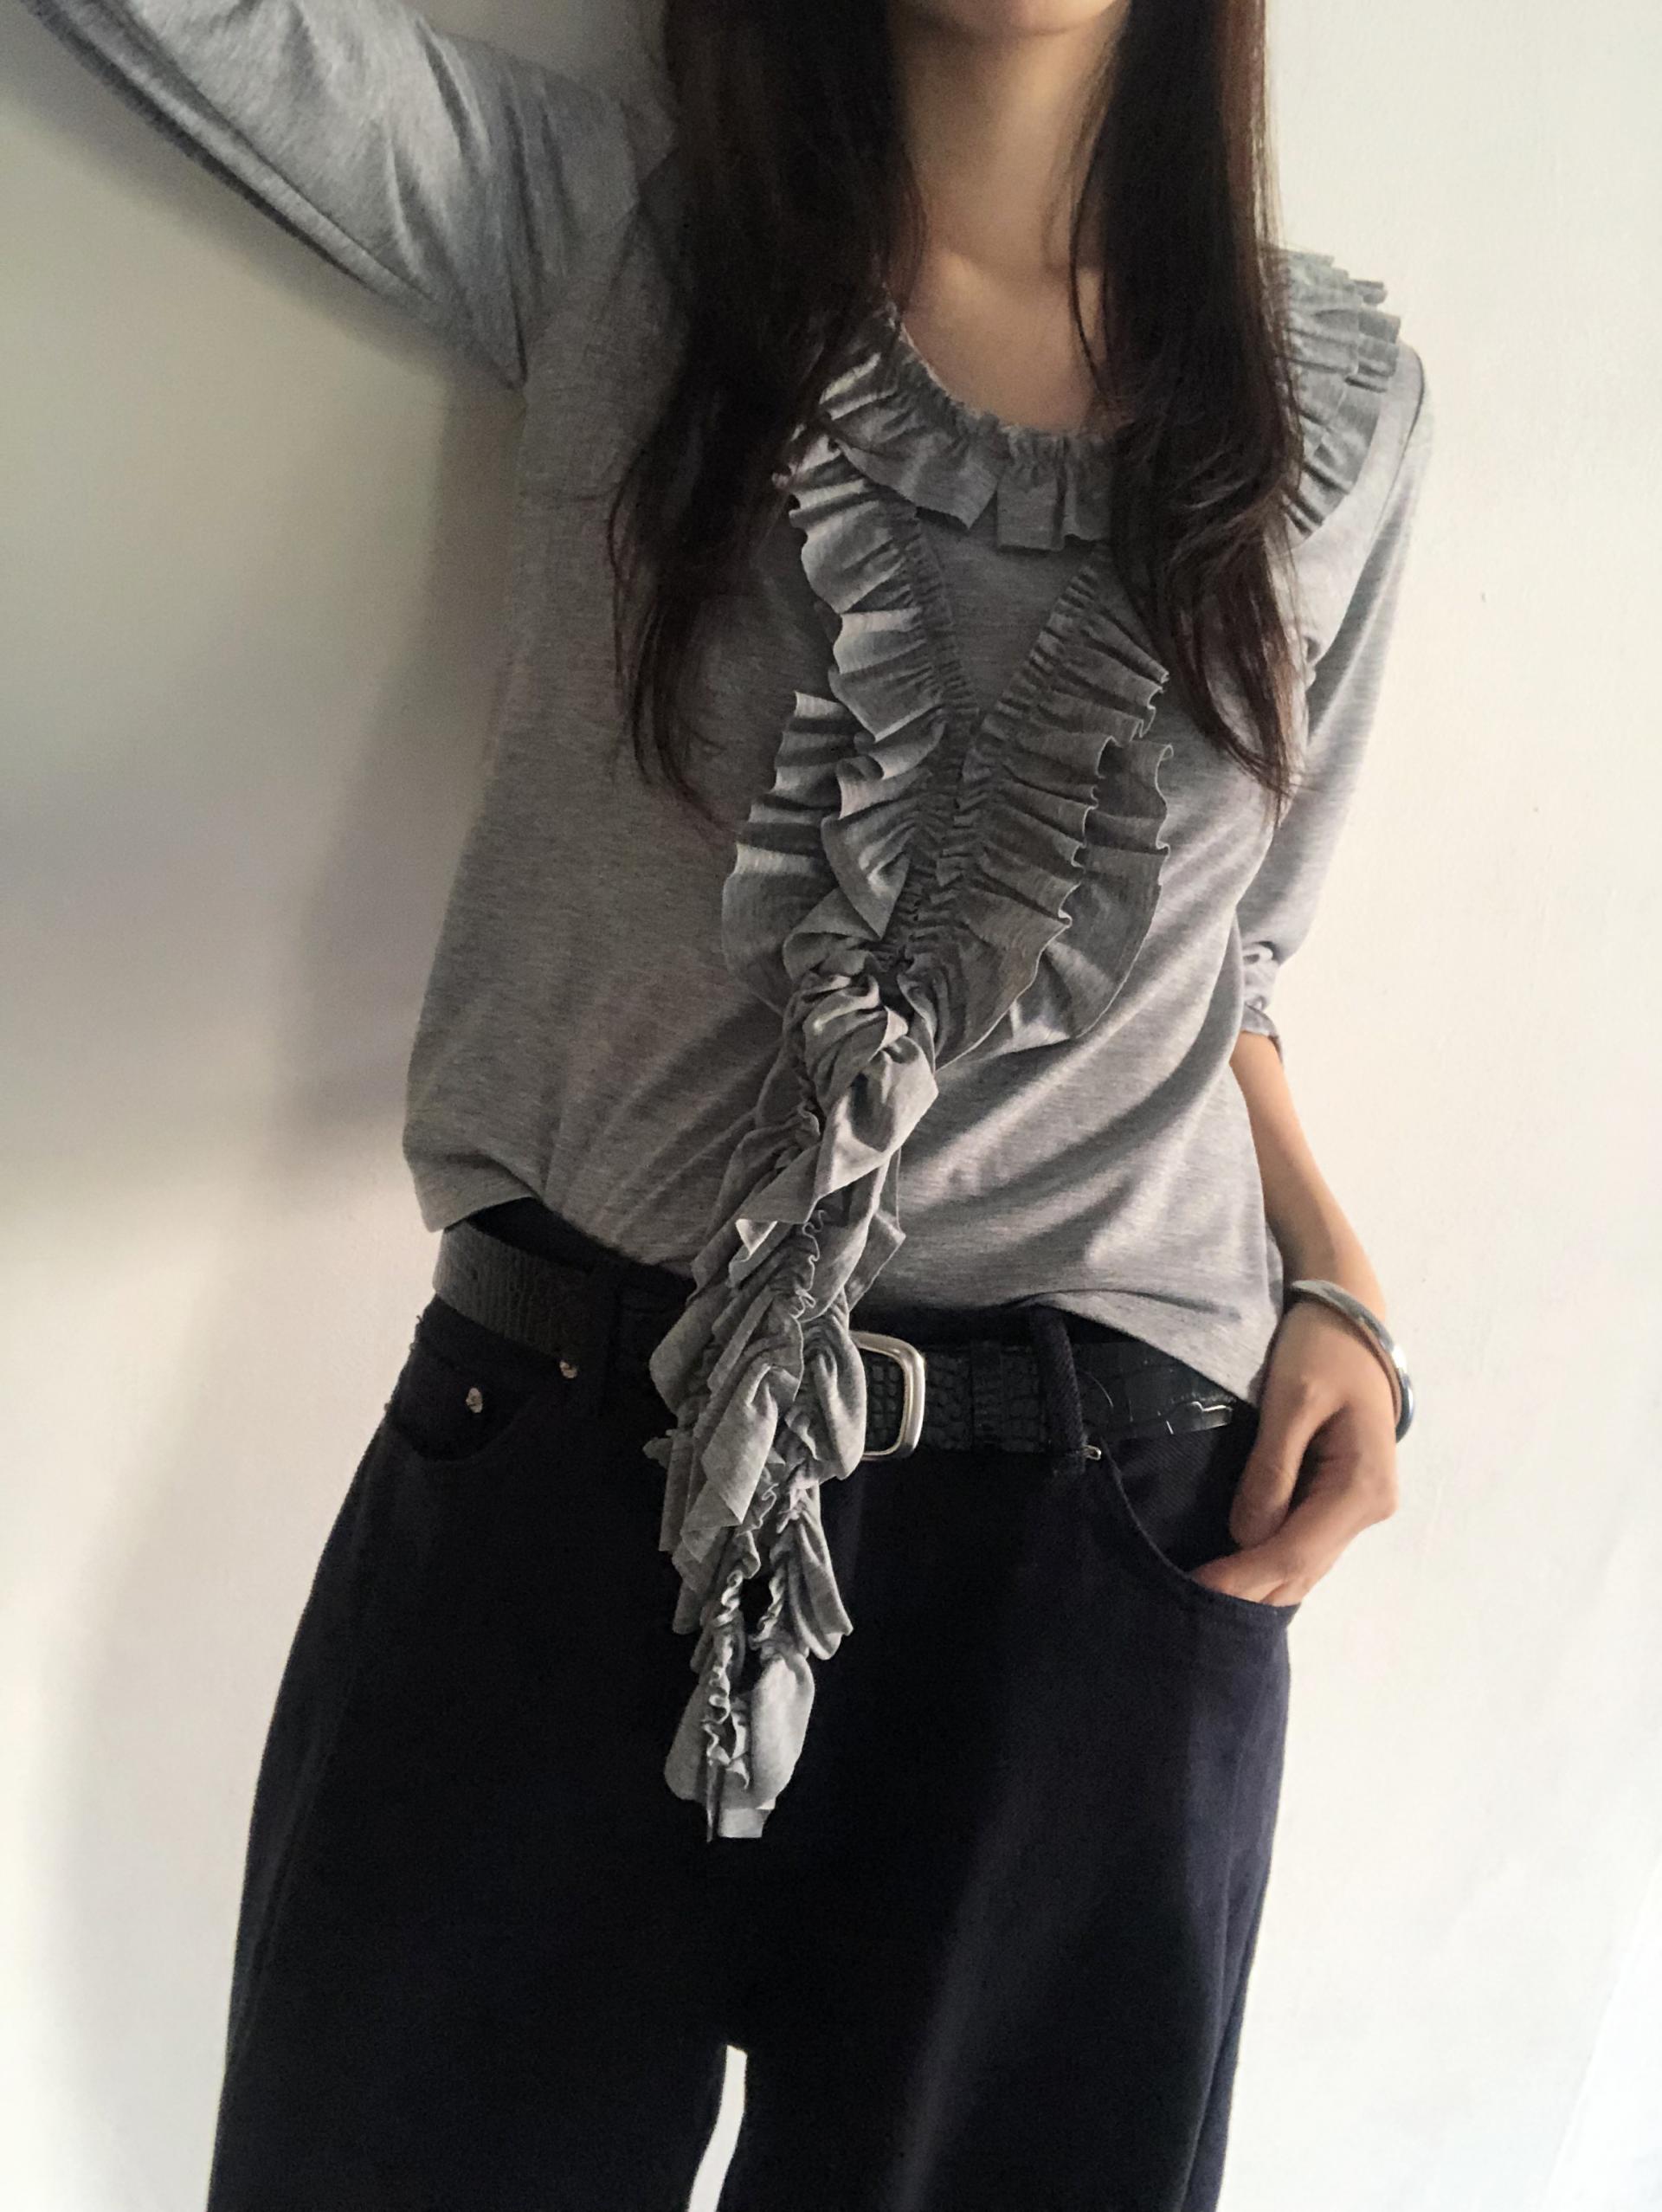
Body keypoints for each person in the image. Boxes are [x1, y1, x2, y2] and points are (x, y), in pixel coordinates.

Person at [19, 0, 1432, 2204]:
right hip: (561, 1459)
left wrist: (1338, 1280)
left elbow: (1233, 961)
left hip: (1096, 1540)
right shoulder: (615, 240)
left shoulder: (1332, 407)